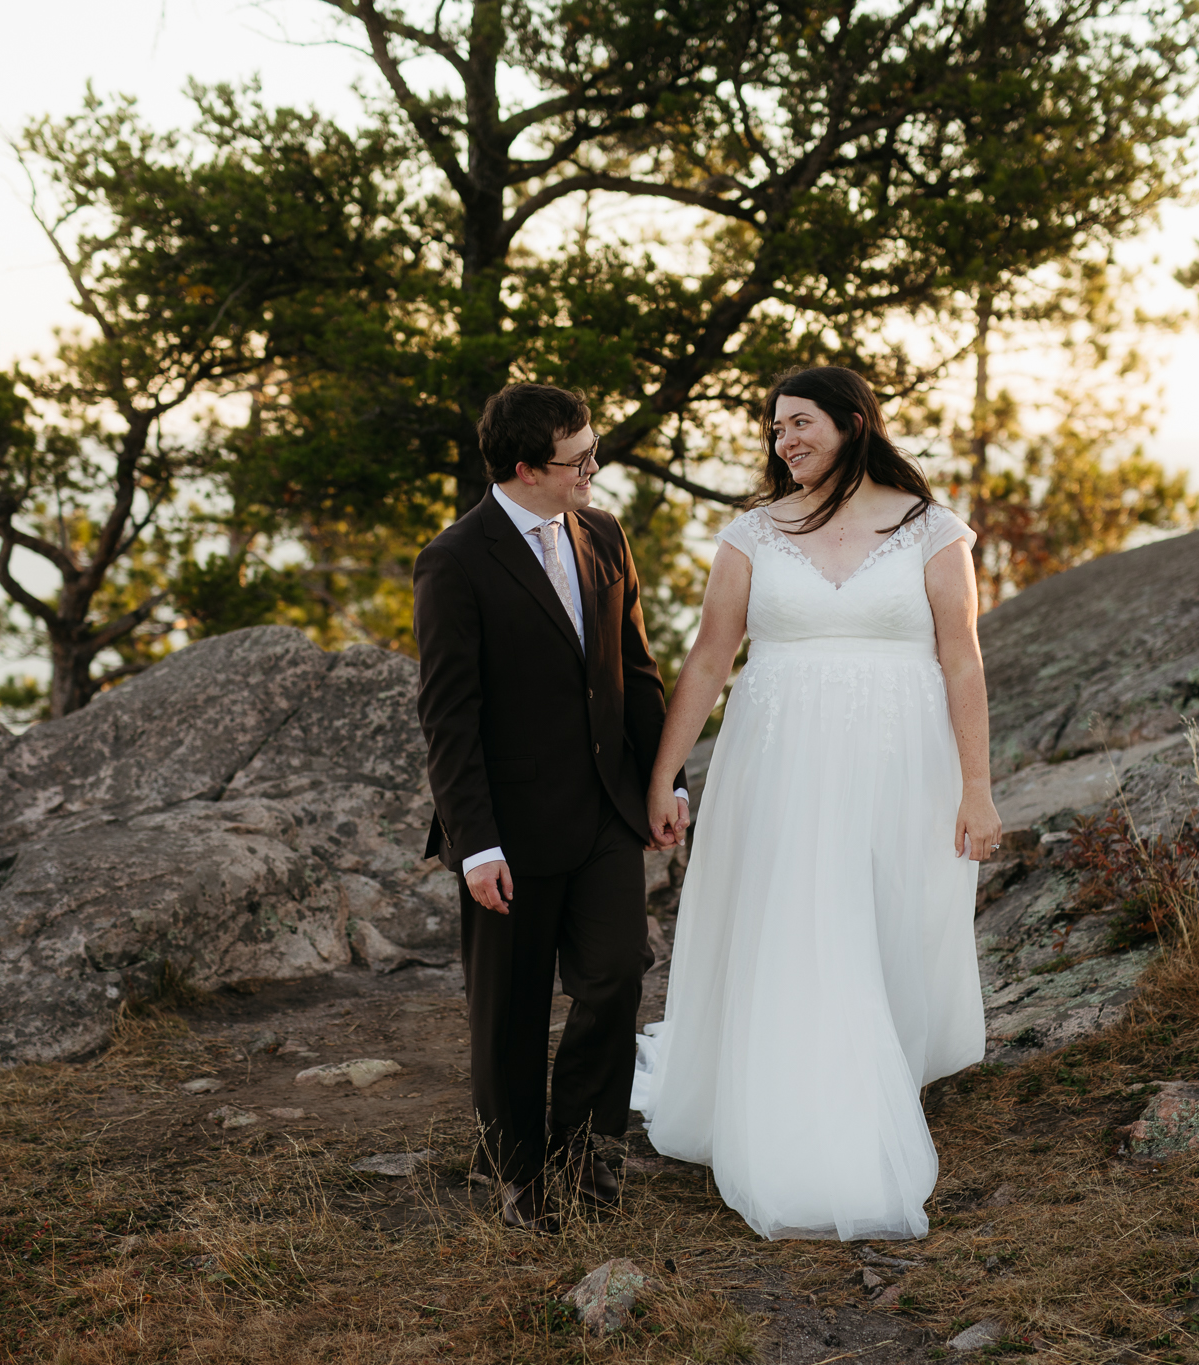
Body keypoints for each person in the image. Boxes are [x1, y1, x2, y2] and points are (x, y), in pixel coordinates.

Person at [631, 365, 1000, 1241]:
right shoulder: (753, 532)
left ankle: (874, 1080)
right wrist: (663, 774)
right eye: (774, 427)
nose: (783, 439)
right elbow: (710, 659)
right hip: (780, 770)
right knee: (802, 925)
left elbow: (963, 660)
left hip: (902, 769)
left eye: (799, 422)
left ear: (852, 422)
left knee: (883, 927)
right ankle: (805, 1119)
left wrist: (977, 789)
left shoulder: (931, 529)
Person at [413, 383, 688, 1233]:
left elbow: (636, 671)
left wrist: (664, 781)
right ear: (527, 468)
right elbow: (448, 716)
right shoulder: (455, 559)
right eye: (580, 460)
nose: (595, 470)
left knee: (616, 973)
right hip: (509, 829)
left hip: (606, 811)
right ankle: (519, 1175)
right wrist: (475, 842)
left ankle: (580, 1147)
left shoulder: (603, 533)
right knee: (511, 1009)